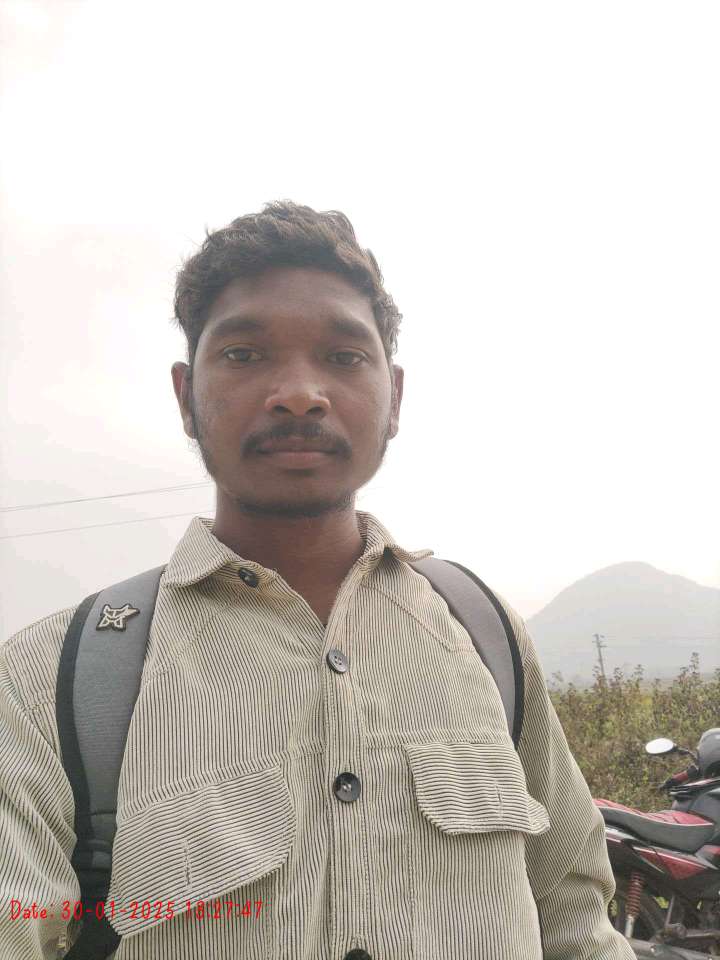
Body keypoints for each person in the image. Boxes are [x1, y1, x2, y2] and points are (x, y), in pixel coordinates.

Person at [0, 201, 636, 959]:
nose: (299, 393)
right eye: (244, 354)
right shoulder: (52, 682)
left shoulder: (482, 634)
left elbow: (575, 923)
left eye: (343, 356)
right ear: (184, 397)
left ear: (395, 398)